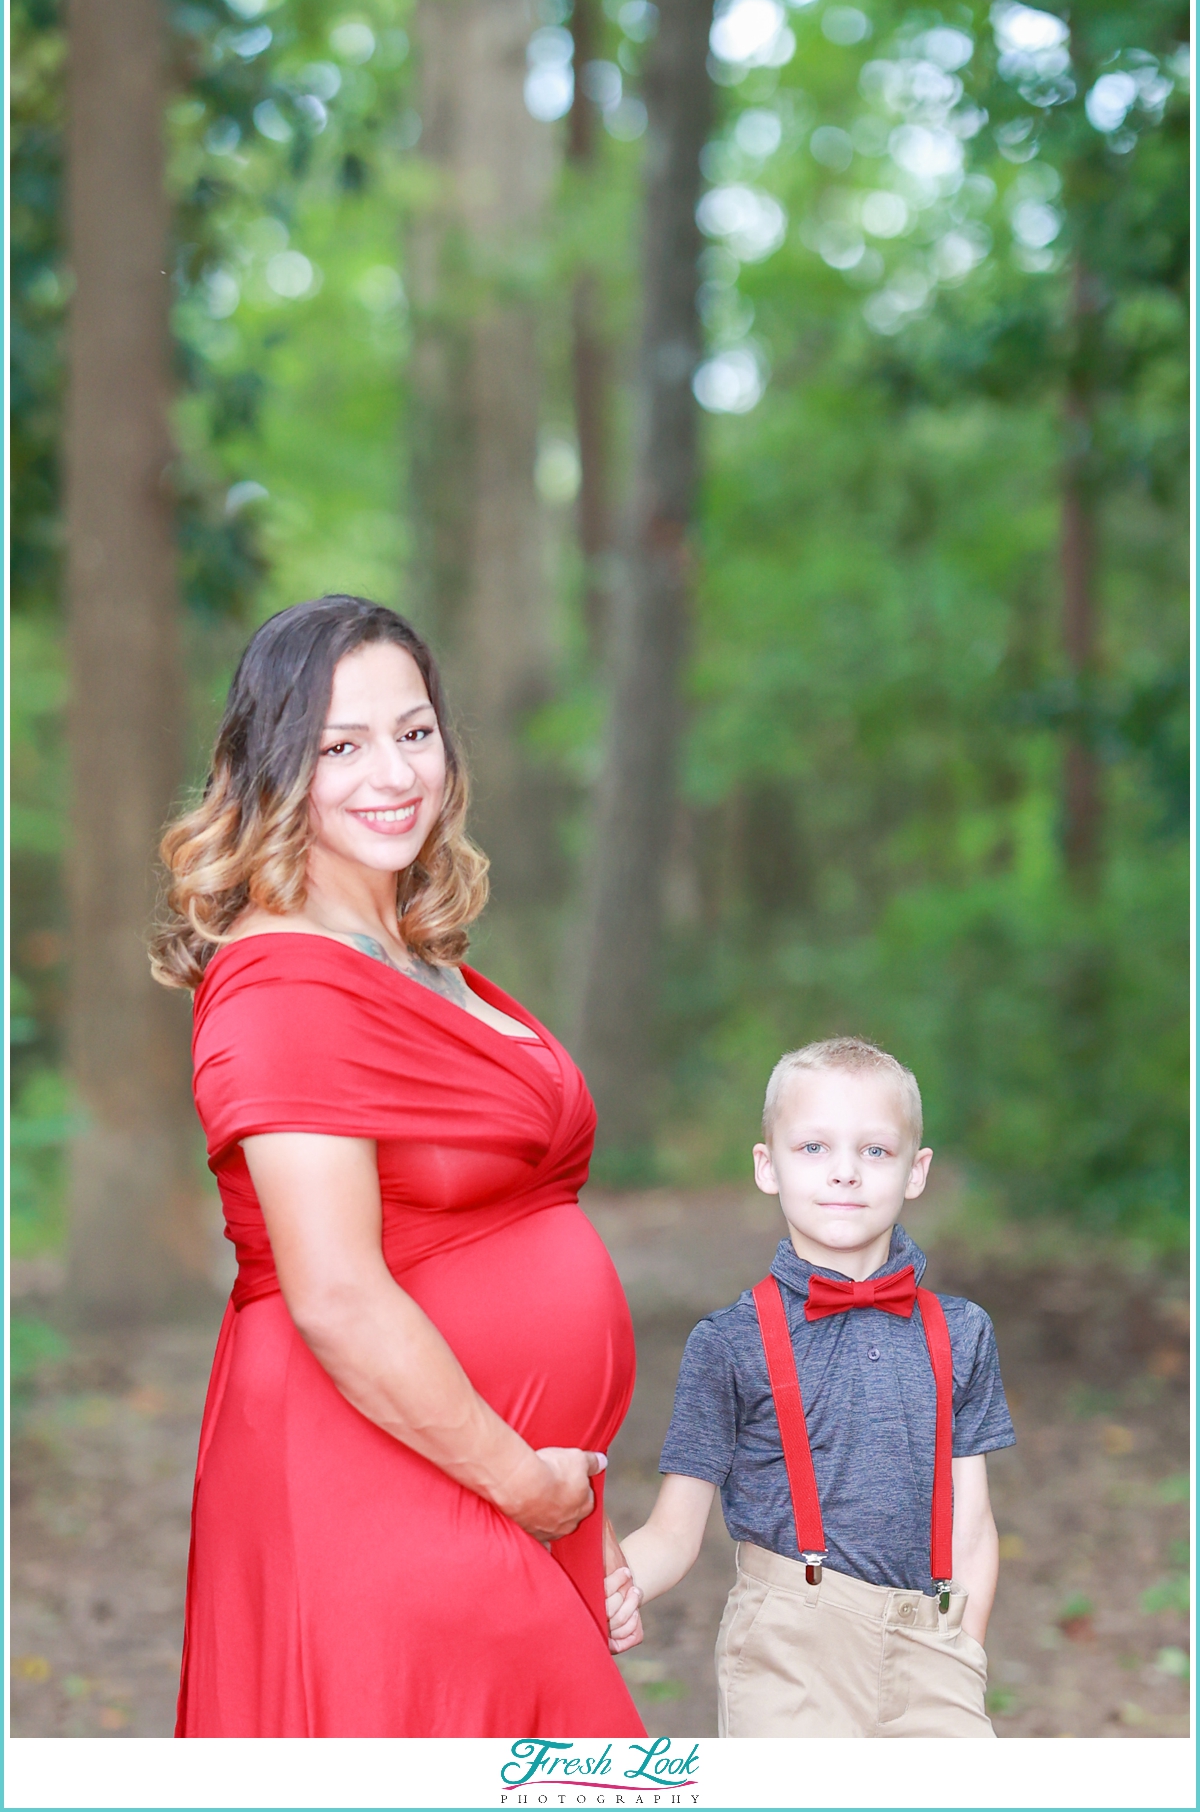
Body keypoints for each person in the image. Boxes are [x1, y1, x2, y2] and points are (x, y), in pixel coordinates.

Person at [152, 593, 645, 1737]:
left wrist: (571, 1504)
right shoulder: (282, 982)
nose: (394, 771)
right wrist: (529, 1487)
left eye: (414, 731)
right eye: (341, 744)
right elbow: (337, 1291)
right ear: (275, 767)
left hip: (482, 1479)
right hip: (374, 1481)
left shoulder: (416, 956)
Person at [604, 1036, 1015, 1738]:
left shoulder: (962, 1331)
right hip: (791, 1650)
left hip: (936, 1648)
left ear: (917, 1173)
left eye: (875, 1151)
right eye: (814, 1148)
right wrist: (619, 1585)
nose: (846, 1174)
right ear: (768, 1166)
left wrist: (965, 1647)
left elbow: (971, 1520)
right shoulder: (730, 1342)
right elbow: (676, 1529)